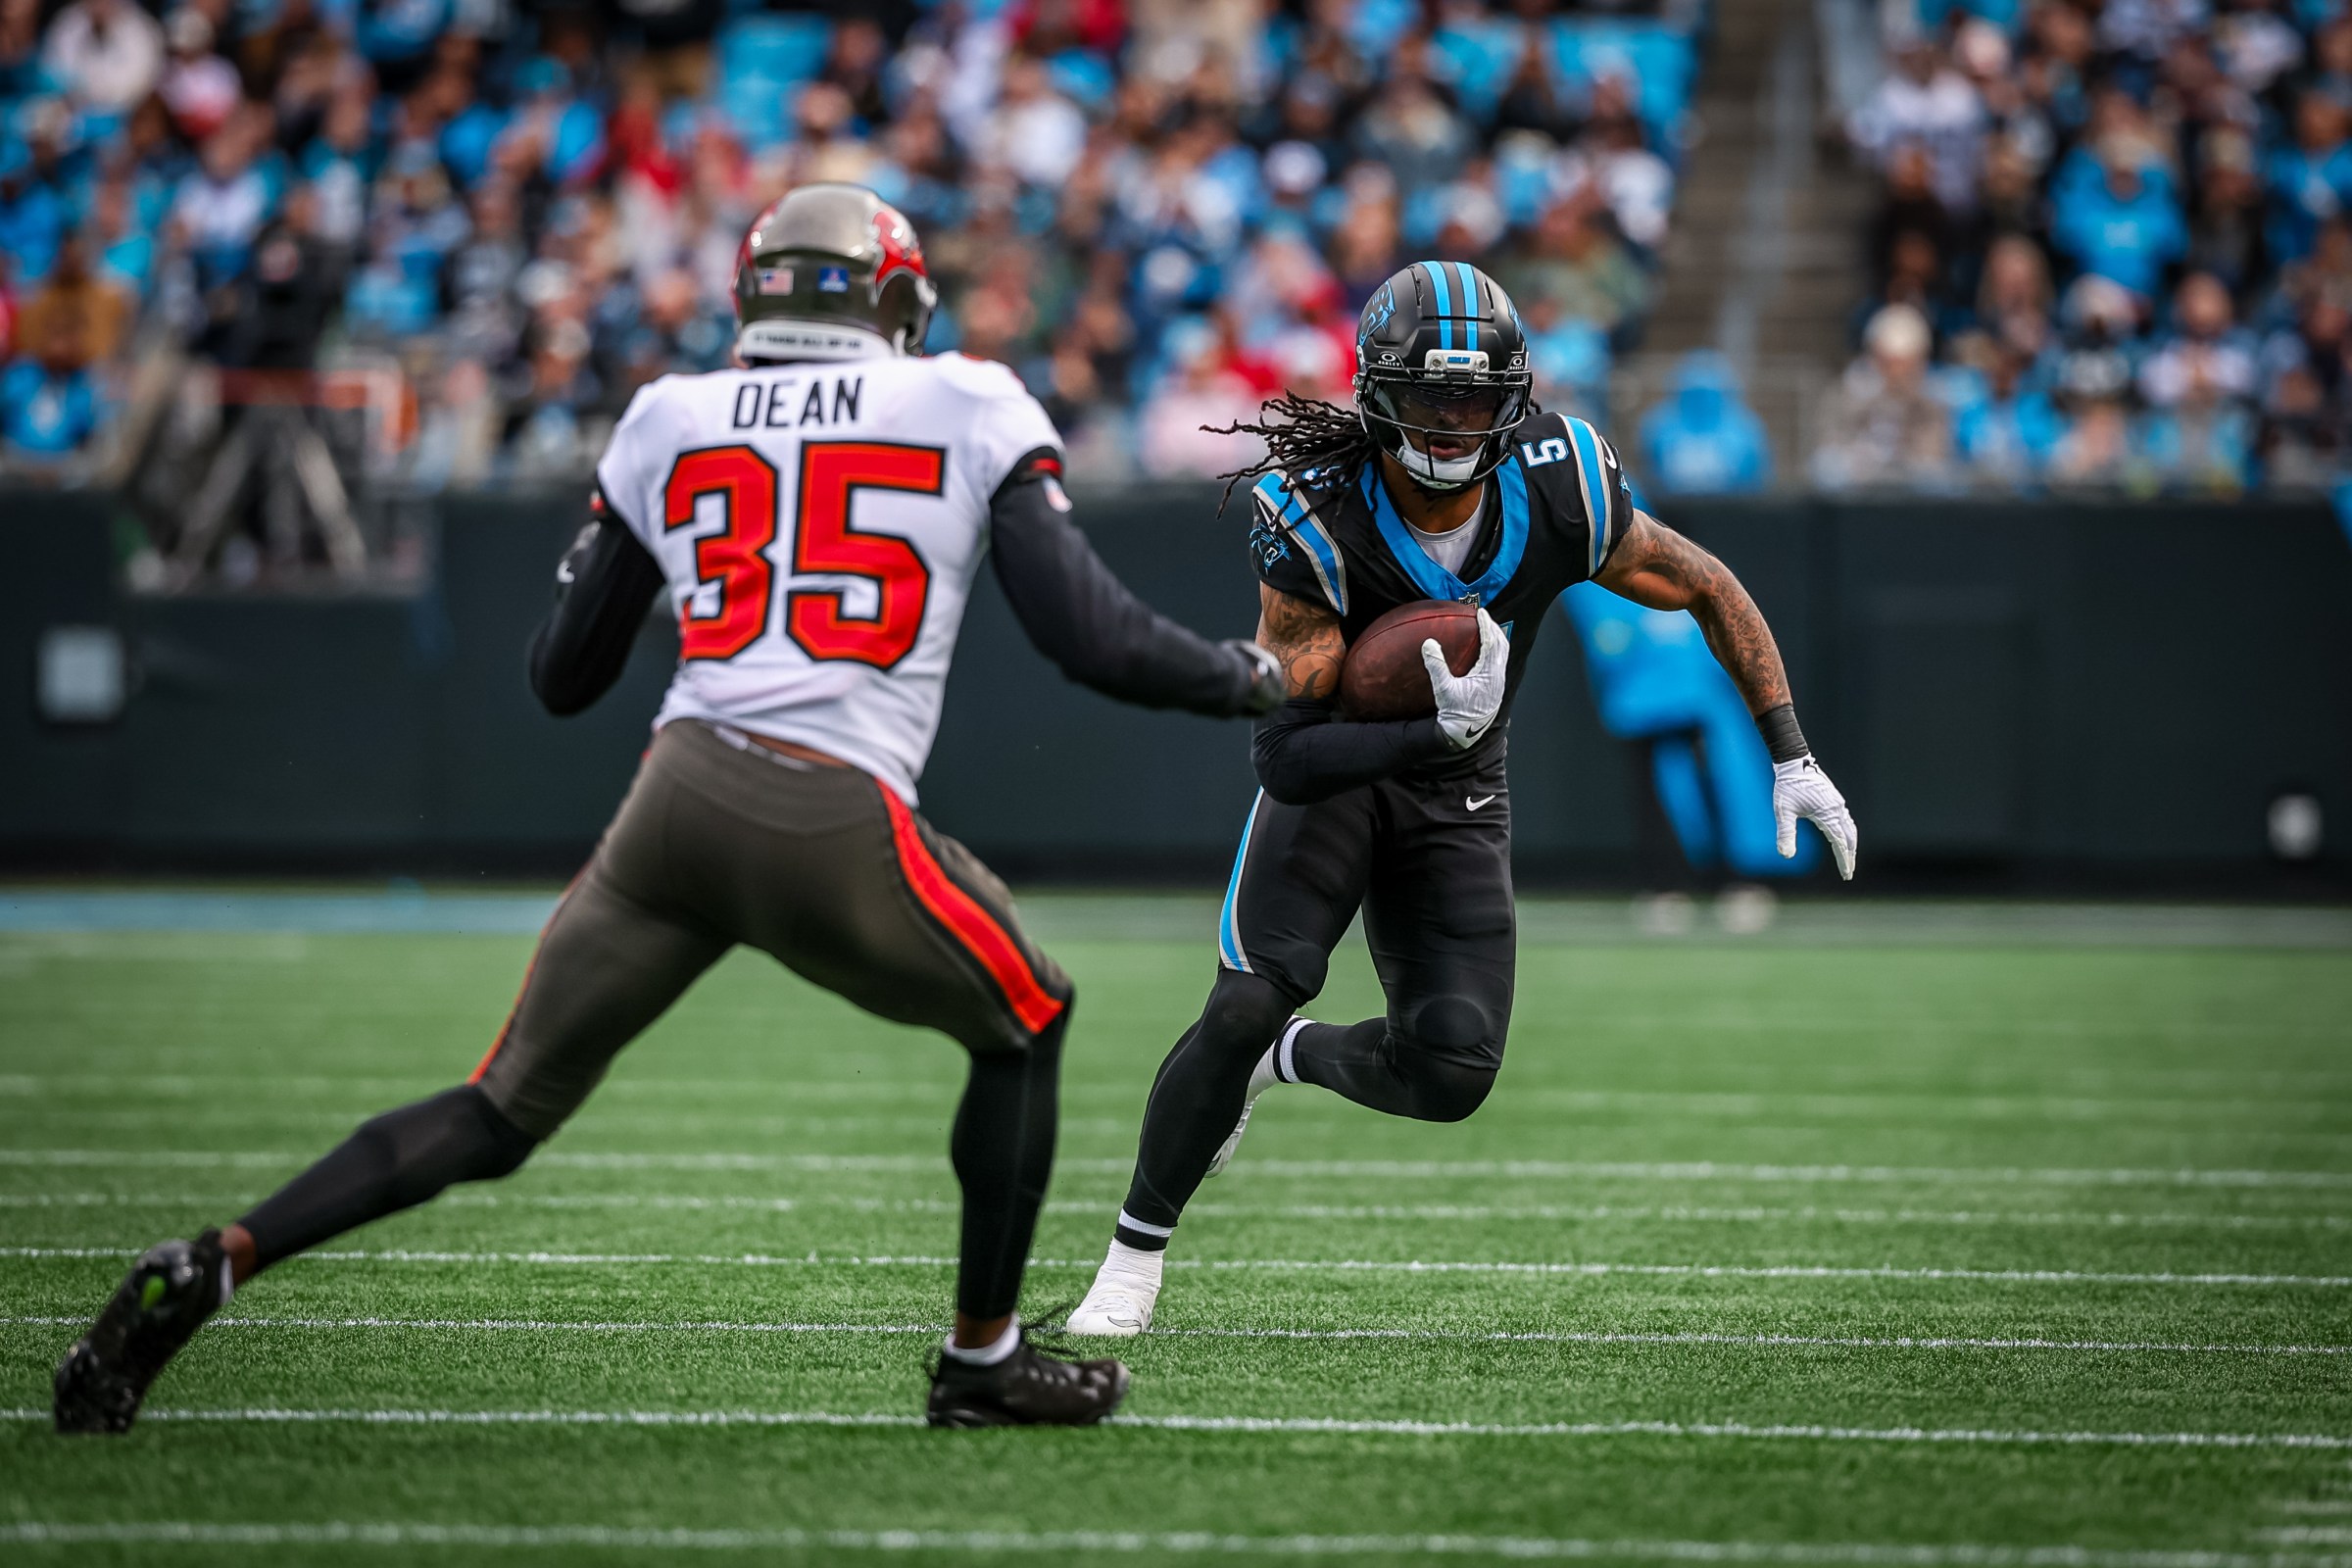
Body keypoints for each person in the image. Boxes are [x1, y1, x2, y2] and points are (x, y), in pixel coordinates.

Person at [52, 184, 1287, 1435]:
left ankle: (218, 1259)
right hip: (825, 806)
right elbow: (1090, 638)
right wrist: (1250, 677)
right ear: (899, 302)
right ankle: (982, 1361)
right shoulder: (967, 398)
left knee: (496, 1108)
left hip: (674, 800)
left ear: (754, 299)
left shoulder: (669, 415)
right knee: (1027, 1011)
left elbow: (561, 676)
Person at [1062, 262, 1859, 1336]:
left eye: (1475, 399)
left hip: (1457, 787)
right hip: (1341, 764)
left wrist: (1790, 752)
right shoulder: (1313, 512)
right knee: (1252, 988)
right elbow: (1285, 757)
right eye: (1430, 397)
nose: (1450, 423)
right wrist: (1421, 726)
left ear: (1515, 399)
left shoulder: (1562, 480)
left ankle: (1283, 1063)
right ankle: (1131, 1260)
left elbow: (1707, 583)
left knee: (1449, 1067)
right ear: (1376, 392)